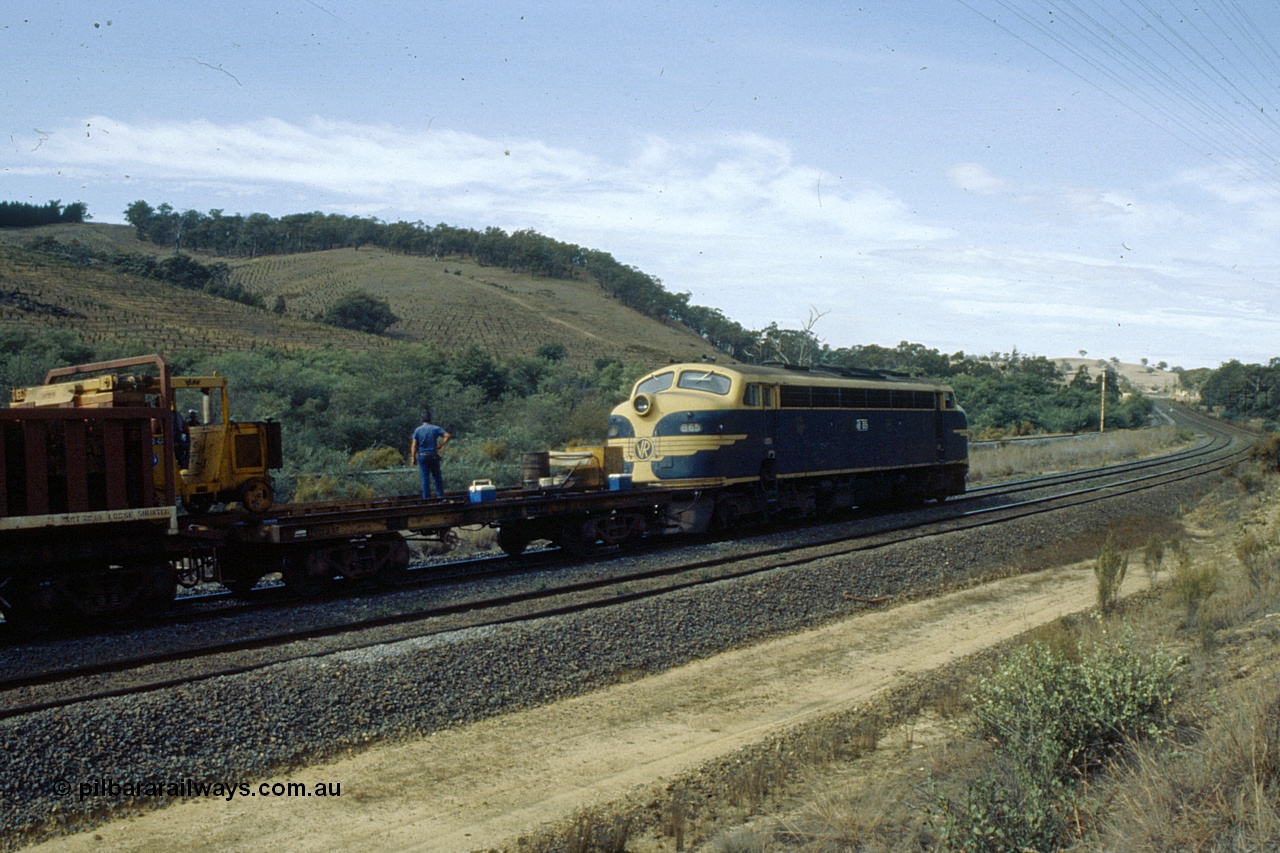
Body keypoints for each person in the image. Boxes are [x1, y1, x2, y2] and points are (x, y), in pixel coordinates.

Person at [410, 411, 451, 499]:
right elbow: (447, 436)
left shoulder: (417, 430)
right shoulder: (435, 428)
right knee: (437, 476)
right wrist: (440, 445)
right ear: (430, 419)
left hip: (422, 455)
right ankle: (440, 496)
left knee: (425, 478)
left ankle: (426, 498)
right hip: (433, 455)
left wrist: (413, 457)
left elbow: (414, 445)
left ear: (422, 420)